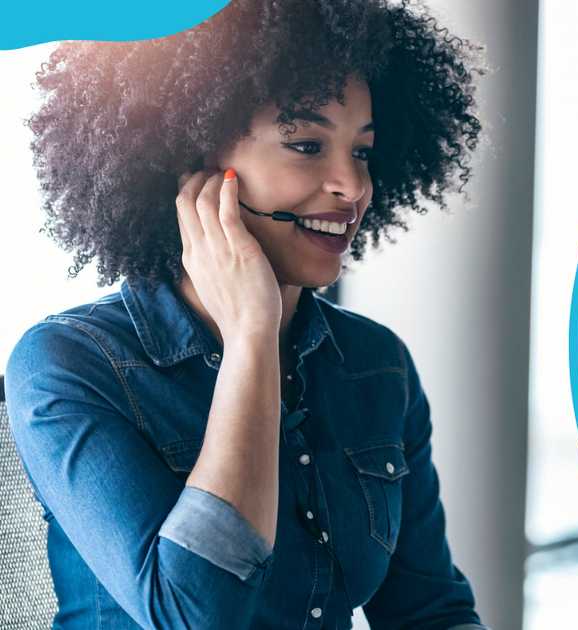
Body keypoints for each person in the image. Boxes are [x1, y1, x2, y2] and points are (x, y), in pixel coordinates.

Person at [4, 1, 486, 628]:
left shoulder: (375, 364)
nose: (352, 186)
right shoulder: (67, 364)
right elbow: (193, 613)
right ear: (190, 166)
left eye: (362, 152)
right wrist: (251, 338)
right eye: (307, 145)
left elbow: (431, 611)